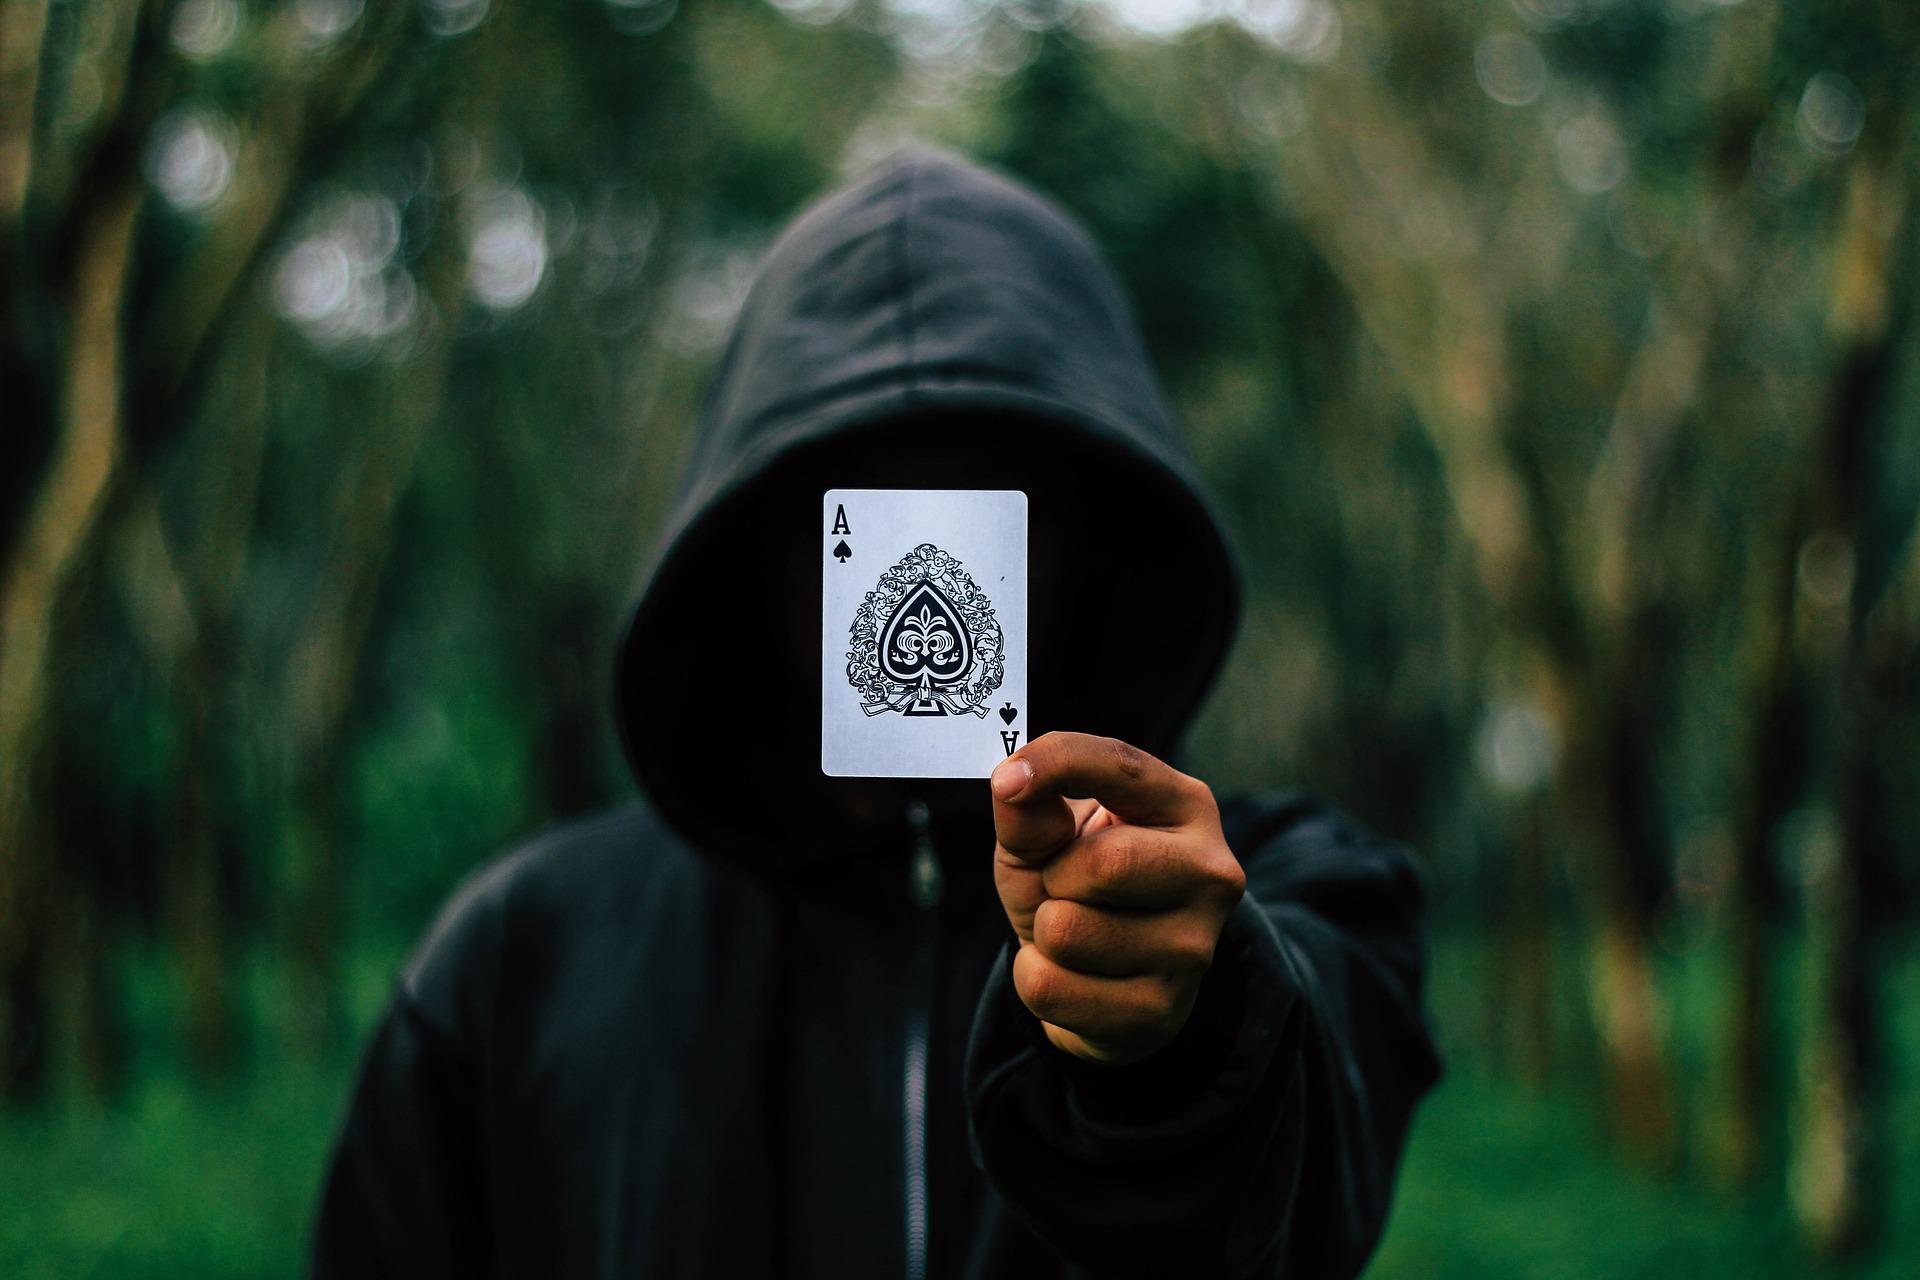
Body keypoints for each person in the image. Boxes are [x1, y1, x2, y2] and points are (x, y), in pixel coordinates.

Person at [309, 143, 1441, 1279]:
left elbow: (1301, 1158)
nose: (924, 555)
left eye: (987, 503)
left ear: (1104, 543)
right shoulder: (516, 960)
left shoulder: (1283, 895)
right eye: (853, 505)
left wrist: (1184, 1036)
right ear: (741, 541)